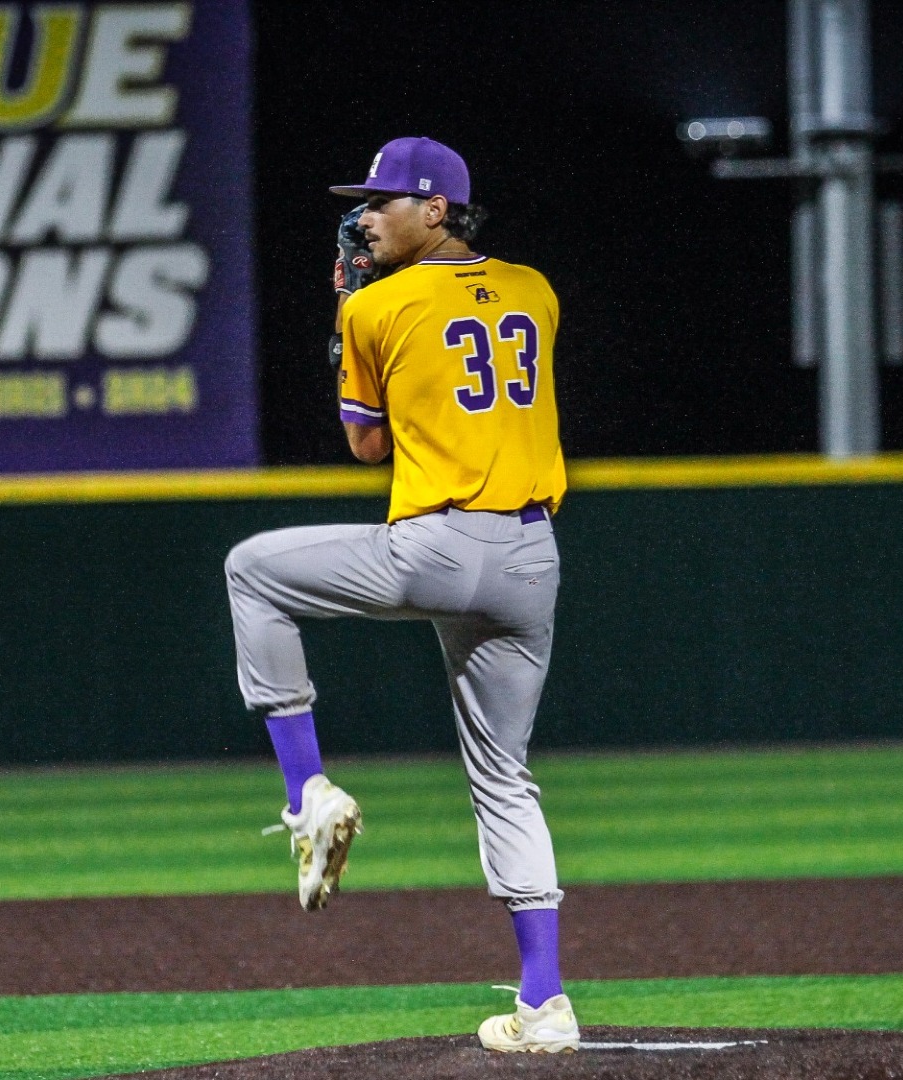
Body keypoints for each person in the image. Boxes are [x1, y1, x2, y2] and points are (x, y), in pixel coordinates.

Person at [223, 137, 578, 1053]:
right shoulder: (536, 289)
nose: (366, 216)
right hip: (533, 557)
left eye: (386, 201)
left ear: (439, 210)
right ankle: (545, 1004)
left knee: (253, 570)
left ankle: (307, 794)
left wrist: (348, 309)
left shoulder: (378, 303)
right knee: (505, 778)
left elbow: (366, 446)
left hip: (441, 543)